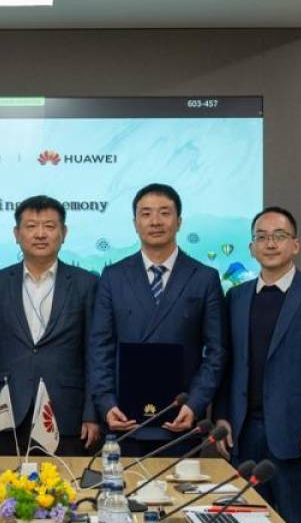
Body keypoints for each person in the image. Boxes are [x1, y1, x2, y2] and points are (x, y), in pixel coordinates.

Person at [212, 207, 301, 523]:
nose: (270, 244)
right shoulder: (236, 297)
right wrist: (222, 416)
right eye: (262, 237)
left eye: (279, 236)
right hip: (243, 433)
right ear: (251, 247)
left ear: (295, 245)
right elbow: (227, 364)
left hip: (295, 434)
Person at [88, 183, 225, 456]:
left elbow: (217, 351)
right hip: (123, 419)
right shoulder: (113, 277)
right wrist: (106, 403)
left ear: (179, 221)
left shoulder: (204, 277)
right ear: (135, 223)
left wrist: (195, 403)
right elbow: (99, 347)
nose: (155, 221)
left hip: (181, 419)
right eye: (146, 213)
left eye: (164, 212)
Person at [0, 196, 100, 456]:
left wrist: (92, 413)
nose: (40, 234)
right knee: (6, 482)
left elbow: (94, 354)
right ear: (16, 234)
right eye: (31, 226)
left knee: (66, 481)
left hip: (67, 414)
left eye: (50, 226)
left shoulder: (86, 284)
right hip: (8, 413)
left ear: (64, 233)